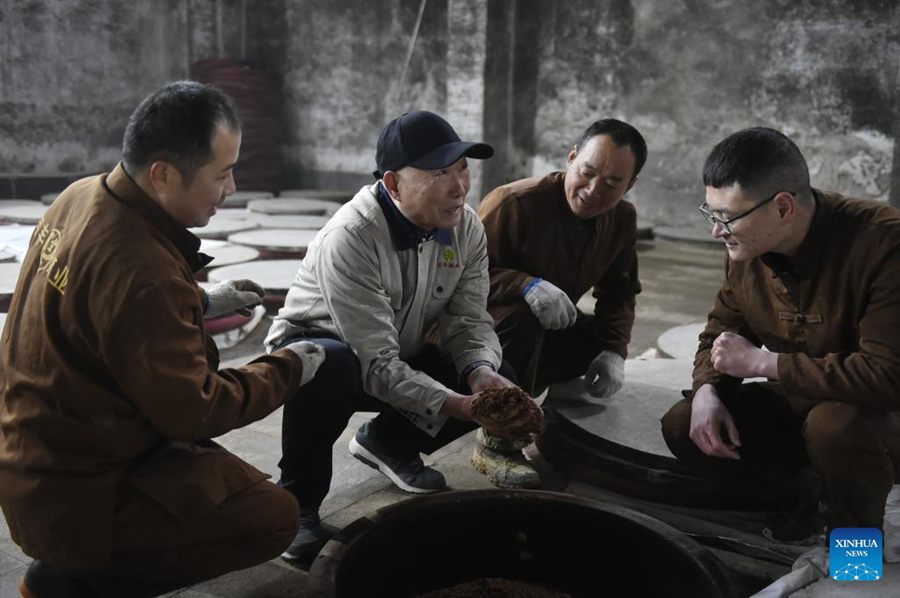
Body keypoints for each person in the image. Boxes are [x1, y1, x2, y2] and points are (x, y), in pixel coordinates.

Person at [0, 81, 326, 598]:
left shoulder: (80, 195)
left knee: (215, 474)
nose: (232, 188)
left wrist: (197, 301)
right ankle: (71, 581)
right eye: (222, 174)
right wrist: (288, 368)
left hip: (33, 457)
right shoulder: (144, 273)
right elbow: (194, 410)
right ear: (163, 175)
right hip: (78, 490)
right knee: (271, 516)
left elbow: (101, 306)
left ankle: (69, 565)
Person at [265, 110, 526, 561]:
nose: (459, 186)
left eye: (462, 168)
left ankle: (387, 442)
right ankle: (296, 506)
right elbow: (375, 363)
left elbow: (468, 321)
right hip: (323, 353)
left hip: (397, 351)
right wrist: (459, 406)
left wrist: (479, 374)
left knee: (497, 371)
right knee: (328, 365)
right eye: (440, 173)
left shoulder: (465, 228)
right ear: (393, 183)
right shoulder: (352, 237)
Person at [660, 127, 900, 542]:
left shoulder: (884, 244)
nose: (716, 231)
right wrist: (706, 390)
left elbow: (886, 375)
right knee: (686, 424)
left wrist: (763, 364)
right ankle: (805, 496)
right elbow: (720, 330)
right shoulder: (745, 249)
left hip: (878, 415)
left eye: (727, 218)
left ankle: (856, 558)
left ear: (784, 207)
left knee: (834, 426)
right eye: (711, 214)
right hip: (804, 400)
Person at [475, 119, 645, 487]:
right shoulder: (515, 203)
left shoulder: (622, 219)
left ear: (629, 186)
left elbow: (619, 291)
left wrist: (614, 351)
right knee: (521, 319)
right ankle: (496, 442)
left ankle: (531, 396)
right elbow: (458, 278)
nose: (593, 190)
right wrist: (523, 284)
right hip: (475, 332)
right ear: (571, 159)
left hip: (539, 330)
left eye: (613, 184)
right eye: (586, 172)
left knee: (594, 337)